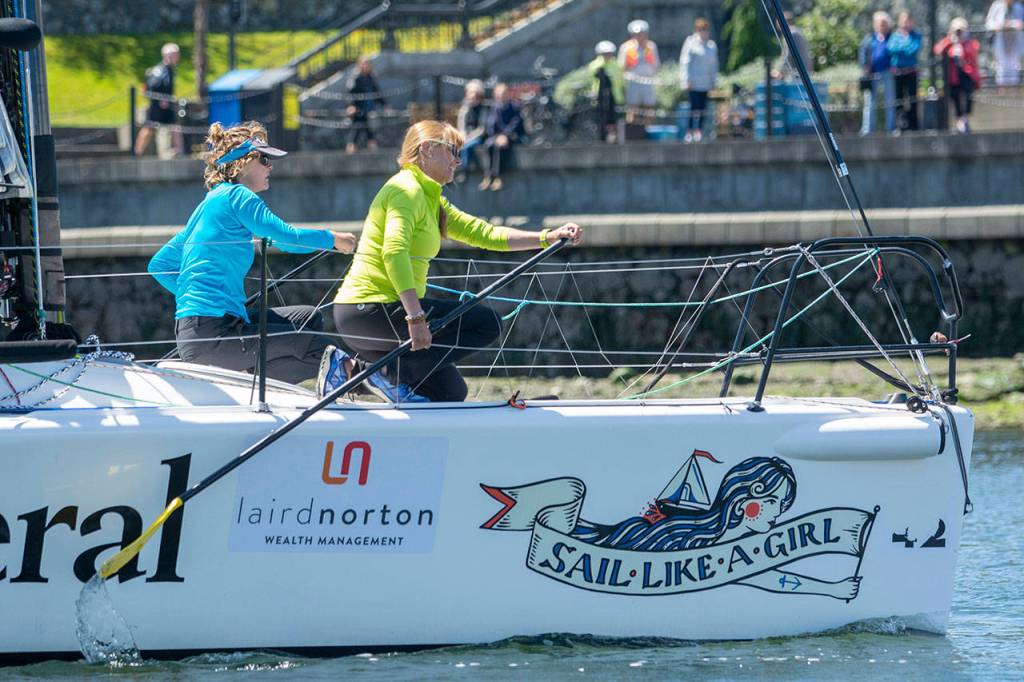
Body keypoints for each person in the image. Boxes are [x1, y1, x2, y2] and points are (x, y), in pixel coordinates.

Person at [321, 120, 583, 403]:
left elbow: (486, 233)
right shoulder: (405, 190)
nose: (458, 160)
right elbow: (393, 252)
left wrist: (548, 237)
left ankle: (356, 374)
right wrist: (416, 317)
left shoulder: (432, 199)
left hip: (381, 316)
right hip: (369, 311)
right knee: (485, 323)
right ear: (427, 149)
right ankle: (383, 374)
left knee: (450, 392)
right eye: (452, 151)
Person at [148, 122, 357, 383]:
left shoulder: (209, 204)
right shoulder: (238, 197)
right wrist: (334, 239)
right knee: (311, 343)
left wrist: (209, 298)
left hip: (201, 330)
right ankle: (359, 379)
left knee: (307, 318)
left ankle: (258, 380)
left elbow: (159, 264)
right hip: (213, 334)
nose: (271, 167)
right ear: (242, 162)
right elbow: (286, 238)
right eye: (265, 159)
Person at [570, 457, 860, 600]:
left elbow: (770, 579)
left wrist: (831, 589)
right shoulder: (691, 532)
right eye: (771, 501)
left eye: (781, 505)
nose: (778, 513)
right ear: (745, 497)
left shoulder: (739, 548)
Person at [133, 43, 185, 158]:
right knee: (149, 128)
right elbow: (152, 86)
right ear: (168, 56)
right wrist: (161, 99)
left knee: (175, 127)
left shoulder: (169, 70)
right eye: (175, 55)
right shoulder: (160, 70)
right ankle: (137, 152)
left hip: (167, 105)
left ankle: (181, 153)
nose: (178, 57)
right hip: (157, 106)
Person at [934, 18, 982, 133]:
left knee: (968, 96)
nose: (959, 33)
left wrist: (962, 44)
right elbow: (938, 50)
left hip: (967, 76)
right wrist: (950, 40)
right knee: (955, 97)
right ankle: (960, 120)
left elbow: (972, 53)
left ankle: (964, 119)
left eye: (961, 31)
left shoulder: (970, 43)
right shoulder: (949, 41)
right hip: (953, 77)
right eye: (957, 31)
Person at [678, 18, 719, 143]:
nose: (703, 32)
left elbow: (714, 65)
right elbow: (685, 62)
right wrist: (685, 80)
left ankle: (699, 132)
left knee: (702, 108)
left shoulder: (711, 46)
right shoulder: (690, 43)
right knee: (693, 108)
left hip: (705, 83)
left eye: (705, 30)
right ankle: (689, 131)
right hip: (693, 83)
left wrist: (714, 81)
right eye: (701, 30)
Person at [480, 83, 525, 192]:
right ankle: (488, 176)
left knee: (500, 147)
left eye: (504, 93)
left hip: (512, 136)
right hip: (497, 136)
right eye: (499, 94)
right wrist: (496, 136)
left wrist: (505, 135)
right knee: (489, 145)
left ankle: (498, 177)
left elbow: (516, 124)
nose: (501, 96)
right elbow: (490, 124)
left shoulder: (515, 107)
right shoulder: (493, 107)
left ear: (508, 94)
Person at [859, 11, 895, 135]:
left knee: (889, 101)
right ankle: (867, 129)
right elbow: (863, 53)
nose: (882, 26)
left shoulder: (892, 38)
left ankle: (891, 128)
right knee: (869, 102)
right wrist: (865, 66)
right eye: (880, 23)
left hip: (887, 72)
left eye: (884, 23)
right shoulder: (869, 39)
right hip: (872, 73)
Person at [618, 19, 660, 124]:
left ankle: (648, 129)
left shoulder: (651, 46)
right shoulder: (626, 47)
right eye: (636, 34)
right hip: (633, 81)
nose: (639, 37)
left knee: (649, 108)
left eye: (641, 34)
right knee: (633, 107)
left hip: (648, 80)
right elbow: (621, 67)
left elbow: (656, 65)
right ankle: (632, 130)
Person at [888, 11, 922, 131]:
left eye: (908, 21)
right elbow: (891, 48)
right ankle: (900, 125)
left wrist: (902, 48)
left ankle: (914, 125)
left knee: (912, 99)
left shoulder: (916, 35)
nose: (906, 24)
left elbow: (913, 49)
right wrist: (905, 46)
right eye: (903, 21)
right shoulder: (895, 36)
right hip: (898, 73)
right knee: (899, 99)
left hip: (911, 72)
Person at [345, 57, 386, 153]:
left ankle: (369, 147)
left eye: (368, 64)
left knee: (366, 128)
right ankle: (353, 147)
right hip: (358, 108)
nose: (366, 66)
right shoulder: (356, 78)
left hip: (367, 108)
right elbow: (350, 93)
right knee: (358, 127)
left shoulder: (370, 78)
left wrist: (384, 105)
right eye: (364, 64)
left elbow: (376, 93)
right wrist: (351, 105)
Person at [589, 40, 624, 143]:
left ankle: (614, 137)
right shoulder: (595, 65)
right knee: (601, 117)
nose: (607, 55)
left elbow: (620, 81)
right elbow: (591, 80)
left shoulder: (616, 65)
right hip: (599, 97)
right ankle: (601, 137)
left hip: (614, 96)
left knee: (614, 118)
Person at [455, 79, 489, 181]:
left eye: (475, 96)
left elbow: (482, 129)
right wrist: (462, 136)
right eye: (470, 95)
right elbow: (461, 126)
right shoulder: (465, 109)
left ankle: (463, 171)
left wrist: (468, 138)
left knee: (466, 147)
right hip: (465, 136)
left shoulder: (484, 109)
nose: (472, 98)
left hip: (478, 137)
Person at [985, 0, 1024, 87]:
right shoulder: (997, 5)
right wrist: (999, 25)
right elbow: (988, 23)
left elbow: (1021, 22)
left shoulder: (1019, 7)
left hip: (1015, 41)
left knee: (1014, 67)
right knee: (1001, 67)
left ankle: (1013, 94)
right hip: (1001, 40)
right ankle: (1002, 95)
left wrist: (1017, 24)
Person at [775, 10, 813, 79]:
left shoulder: (791, 33)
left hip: (798, 73)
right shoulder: (797, 31)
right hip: (805, 71)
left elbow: (788, 55)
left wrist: (780, 72)